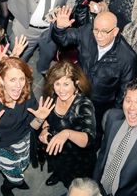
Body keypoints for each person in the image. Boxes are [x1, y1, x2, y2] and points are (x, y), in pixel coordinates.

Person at [0, 57, 55, 196]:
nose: (18, 86)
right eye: (12, 80)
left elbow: (32, 127)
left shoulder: (26, 93)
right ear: (1, 80)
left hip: (23, 139)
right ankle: (7, 186)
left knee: (22, 165)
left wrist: (40, 119)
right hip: (1, 146)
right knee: (11, 172)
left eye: (22, 79)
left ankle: (16, 180)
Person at [51, 8, 135, 138]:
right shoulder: (87, 32)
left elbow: (124, 92)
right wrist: (60, 28)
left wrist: (114, 116)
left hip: (99, 104)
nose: (98, 35)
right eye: (96, 30)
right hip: (75, 91)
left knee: (91, 133)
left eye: (104, 31)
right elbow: (64, 39)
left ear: (115, 31)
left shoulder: (126, 57)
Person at [39, 60, 96, 188]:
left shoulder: (84, 105)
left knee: (72, 184)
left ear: (76, 84)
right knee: (59, 169)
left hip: (76, 158)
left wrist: (67, 133)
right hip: (56, 151)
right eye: (57, 84)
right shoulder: (52, 96)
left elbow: (88, 139)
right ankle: (58, 175)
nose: (61, 90)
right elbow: (46, 118)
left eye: (66, 84)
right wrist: (45, 128)